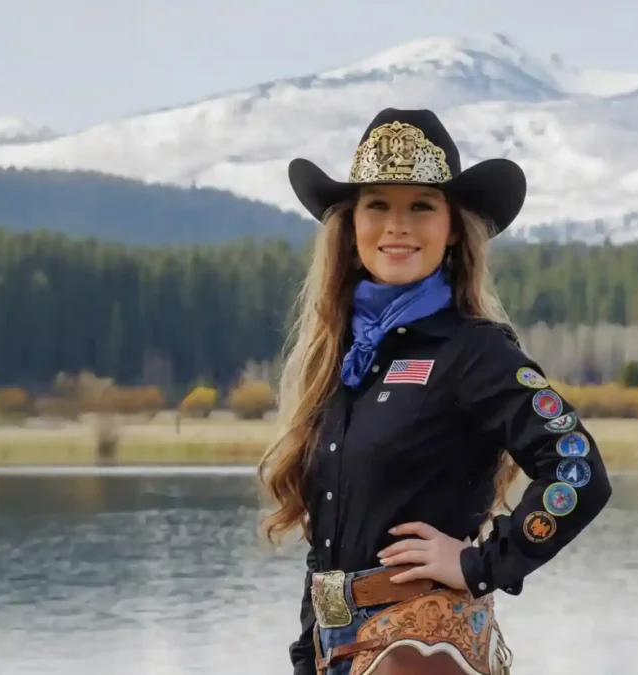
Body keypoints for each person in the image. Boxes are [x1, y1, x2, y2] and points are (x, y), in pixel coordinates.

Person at [256, 108, 613, 675]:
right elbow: (330, 548)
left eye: (421, 205)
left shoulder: (475, 351)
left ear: (451, 231)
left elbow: (579, 470)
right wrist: (307, 655)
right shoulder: (342, 361)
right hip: (339, 652)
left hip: (424, 651)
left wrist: (479, 565)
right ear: (351, 227)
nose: (397, 224)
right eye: (378, 205)